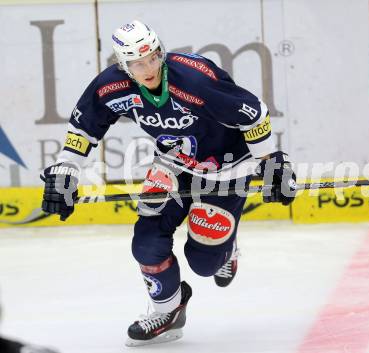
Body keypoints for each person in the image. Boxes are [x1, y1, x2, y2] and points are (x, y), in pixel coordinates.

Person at [40, 20, 296, 346]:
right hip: (173, 164)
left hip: (226, 168)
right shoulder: (112, 87)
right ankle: (169, 310)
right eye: (136, 62)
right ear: (123, 64)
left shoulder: (193, 79)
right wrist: (66, 169)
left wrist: (271, 162)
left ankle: (227, 248)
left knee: (205, 265)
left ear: (160, 51)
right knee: (146, 242)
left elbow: (254, 114)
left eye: (152, 57)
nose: (148, 68)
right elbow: (84, 127)